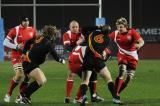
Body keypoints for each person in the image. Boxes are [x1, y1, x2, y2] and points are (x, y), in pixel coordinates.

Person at [20, 25, 65, 104]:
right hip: (30, 63)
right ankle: (24, 95)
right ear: (52, 35)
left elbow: (28, 42)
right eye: (55, 34)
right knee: (41, 80)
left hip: (29, 62)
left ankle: (25, 96)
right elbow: (55, 56)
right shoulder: (48, 43)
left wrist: (24, 53)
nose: (55, 36)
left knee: (40, 80)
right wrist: (62, 60)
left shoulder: (39, 37)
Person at [79, 25, 123, 106]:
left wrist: (96, 27)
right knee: (108, 79)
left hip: (88, 59)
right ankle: (115, 98)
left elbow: (84, 28)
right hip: (97, 60)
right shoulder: (107, 39)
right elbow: (103, 52)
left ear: (101, 29)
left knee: (85, 81)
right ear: (108, 33)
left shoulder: (92, 33)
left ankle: (83, 96)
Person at [63, 20, 104, 103]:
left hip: (83, 57)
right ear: (69, 28)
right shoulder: (67, 34)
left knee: (85, 77)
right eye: (73, 27)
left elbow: (89, 29)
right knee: (85, 77)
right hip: (75, 57)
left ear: (79, 27)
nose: (75, 28)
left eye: (76, 27)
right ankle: (75, 97)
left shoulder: (82, 32)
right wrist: (76, 46)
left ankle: (90, 95)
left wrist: (98, 27)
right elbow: (67, 47)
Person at [108, 17, 144, 98]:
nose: (119, 28)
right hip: (122, 55)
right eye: (118, 26)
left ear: (125, 26)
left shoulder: (133, 32)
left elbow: (142, 41)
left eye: (121, 27)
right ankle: (115, 95)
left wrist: (139, 45)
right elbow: (106, 38)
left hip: (133, 56)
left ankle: (117, 93)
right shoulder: (115, 33)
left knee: (128, 79)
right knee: (122, 72)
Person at [3, 17, 37, 103]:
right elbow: (5, 42)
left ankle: (20, 96)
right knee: (19, 75)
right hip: (16, 55)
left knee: (28, 76)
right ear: (21, 22)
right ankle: (8, 94)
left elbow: (35, 42)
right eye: (24, 21)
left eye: (28, 21)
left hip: (27, 56)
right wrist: (16, 46)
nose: (26, 22)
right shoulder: (15, 30)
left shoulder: (32, 30)